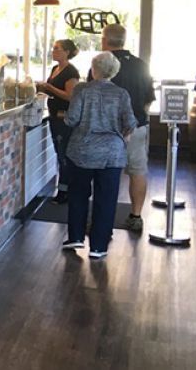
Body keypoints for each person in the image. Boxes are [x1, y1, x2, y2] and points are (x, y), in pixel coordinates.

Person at [63, 52, 137, 260]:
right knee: (106, 199)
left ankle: (76, 236)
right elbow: (130, 124)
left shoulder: (82, 90)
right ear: (114, 71)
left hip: (82, 151)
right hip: (112, 154)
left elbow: (71, 119)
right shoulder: (122, 93)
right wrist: (121, 140)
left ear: (94, 69)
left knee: (78, 194)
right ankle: (98, 246)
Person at [89, 24, 155, 232]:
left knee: (105, 174)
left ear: (105, 39)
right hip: (136, 128)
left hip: (107, 130)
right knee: (138, 171)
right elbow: (148, 100)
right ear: (124, 40)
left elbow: (92, 97)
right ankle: (136, 217)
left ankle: (101, 221)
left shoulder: (100, 64)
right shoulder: (141, 65)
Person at [36, 39, 80, 204]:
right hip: (55, 116)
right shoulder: (55, 68)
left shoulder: (71, 72)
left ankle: (65, 191)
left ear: (67, 52)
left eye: (57, 49)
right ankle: (65, 188)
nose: (53, 51)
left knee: (64, 154)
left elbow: (71, 96)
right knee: (59, 153)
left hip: (64, 118)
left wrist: (49, 87)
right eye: (53, 48)